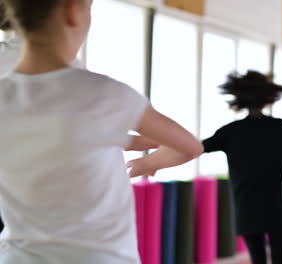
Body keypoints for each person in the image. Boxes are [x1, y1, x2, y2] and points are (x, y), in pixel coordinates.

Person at [0, 0, 203, 263]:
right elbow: (189, 146)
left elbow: (46, 136)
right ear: (72, 11)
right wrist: (147, 163)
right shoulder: (105, 93)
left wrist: (123, 140)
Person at [202, 70, 282, 264]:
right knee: (280, 258)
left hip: (246, 205)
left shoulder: (231, 131)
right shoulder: (279, 127)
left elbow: (199, 147)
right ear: (268, 98)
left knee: (257, 258)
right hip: (277, 205)